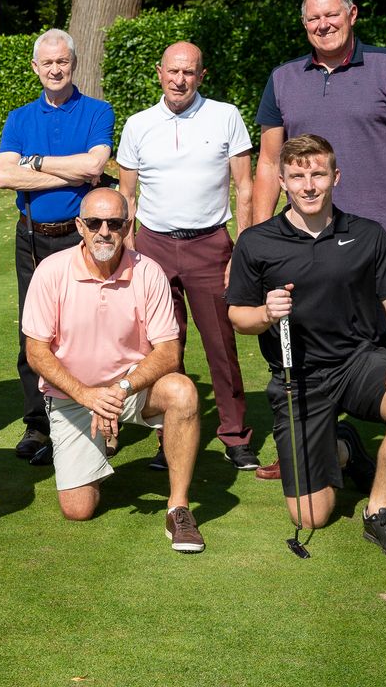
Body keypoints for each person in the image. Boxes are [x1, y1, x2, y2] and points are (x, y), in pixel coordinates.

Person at [252, 0, 386, 493]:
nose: (323, 25)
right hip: (301, 237)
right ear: (303, 24)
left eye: (331, 15)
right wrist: (257, 238)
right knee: (298, 337)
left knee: (385, 340)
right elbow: (268, 161)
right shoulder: (283, 78)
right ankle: (311, 442)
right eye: (313, 18)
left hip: (375, 236)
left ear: (352, 14)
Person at [228, 135, 386, 561]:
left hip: (359, 362)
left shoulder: (367, 234)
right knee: (311, 516)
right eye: (297, 176)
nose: (309, 186)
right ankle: (344, 448)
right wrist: (266, 313)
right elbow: (238, 317)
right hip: (298, 377)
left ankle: (379, 512)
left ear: (335, 177)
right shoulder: (257, 241)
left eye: (318, 174)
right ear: (282, 182)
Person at [21, 187, 207, 553]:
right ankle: (94, 451)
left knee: (182, 391)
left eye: (114, 223)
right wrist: (88, 396)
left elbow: (169, 351)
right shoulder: (51, 271)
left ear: (127, 226)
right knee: (78, 509)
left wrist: (120, 389)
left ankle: (178, 508)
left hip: (129, 389)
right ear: (80, 226)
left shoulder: (148, 271)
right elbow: (36, 352)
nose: (104, 231)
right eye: (94, 223)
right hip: (74, 396)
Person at [117, 41, 259, 471]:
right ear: (159, 72)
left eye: (189, 72)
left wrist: (243, 249)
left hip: (210, 245)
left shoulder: (225, 116)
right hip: (153, 246)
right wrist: (128, 250)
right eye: (173, 71)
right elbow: (127, 195)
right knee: (162, 347)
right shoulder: (138, 124)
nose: (180, 80)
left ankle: (235, 434)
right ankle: (169, 436)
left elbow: (245, 187)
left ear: (201, 75)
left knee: (221, 343)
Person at [0, 28, 114, 466]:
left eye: (62, 61)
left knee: (90, 328)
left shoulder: (98, 111)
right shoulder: (19, 118)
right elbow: (4, 175)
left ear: (73, 63)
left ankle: (95, 416)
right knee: (34, 331)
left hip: (82, 236)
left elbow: (96, 165)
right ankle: (37, 424)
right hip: (32, 236)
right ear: (35, 67)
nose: (55, 69)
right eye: (47, 62)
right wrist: (71, 171)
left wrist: (36, 163)